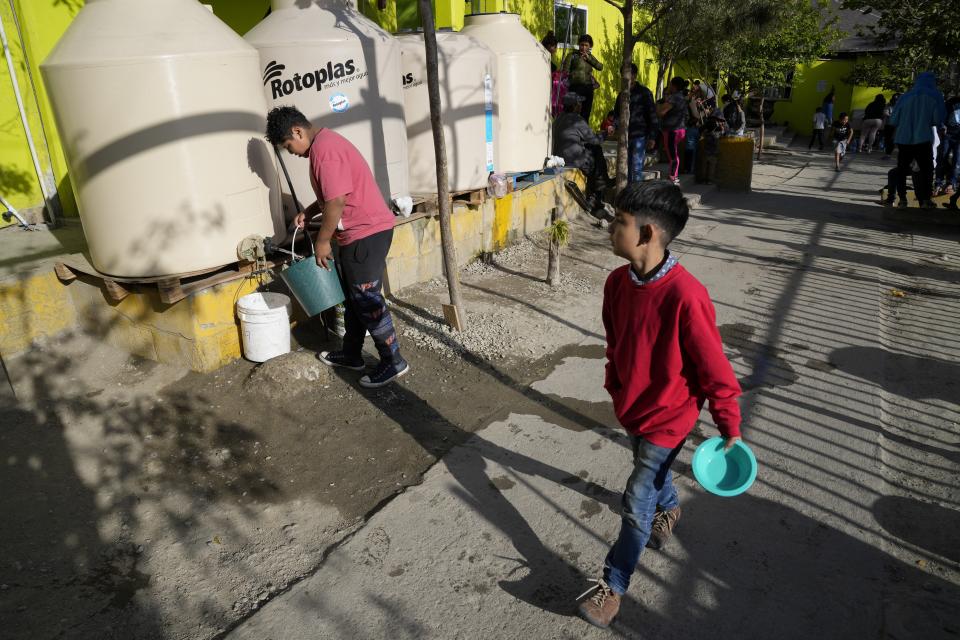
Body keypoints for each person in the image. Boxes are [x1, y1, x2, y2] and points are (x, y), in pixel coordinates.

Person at [576, 180, 742, 629]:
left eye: (620, 222)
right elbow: (615, 343)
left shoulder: (687, 295)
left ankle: (614, 584)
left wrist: (730, 427)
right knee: (652, 478)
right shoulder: (616, 283)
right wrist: (616, 385)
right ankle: (671, 506)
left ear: (647, 233)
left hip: (669, 419)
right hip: (632, 409)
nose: (611, 227)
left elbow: (716, 371)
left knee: (636, 500)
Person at [265, 106, 409, 388]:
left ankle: (393, 361)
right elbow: (331, 196)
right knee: (355, 298)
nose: (290, 151)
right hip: (361, 233)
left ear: (297, 131)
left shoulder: (325, 151)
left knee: (367, 299)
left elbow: (336, 202)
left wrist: (321, 242)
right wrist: (309, 211)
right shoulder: (325, 144)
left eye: (288, 145)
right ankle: (352, 354)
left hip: (366, 233)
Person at [890, 71, 947, 209]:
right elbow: (937, 119)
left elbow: (893, 119)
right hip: (923, 138)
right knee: (927, 170)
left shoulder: (905, 97)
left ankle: (902, 199)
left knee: (902, 169)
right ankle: (925, 200)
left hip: (903, 138)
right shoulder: (935, 96)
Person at [553, 93, 610, 213]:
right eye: (579, 104)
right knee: (597, 153)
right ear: (574, 106)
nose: (581, 106)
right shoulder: (577, 120)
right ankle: (595, 196)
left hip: (558, 158)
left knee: (593, 152)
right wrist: (605, 133)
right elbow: (594, 140)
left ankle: (597, 193)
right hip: (572, 159)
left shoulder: (558, 118)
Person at [612, 63, 658, 182]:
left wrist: (652, 137)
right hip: (624, 136)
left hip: (640, 136)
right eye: (624, 74)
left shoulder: (645, 93)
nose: (626, 77)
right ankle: (628, 194)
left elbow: (652, 115)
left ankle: (635, 196)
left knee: (636, 168)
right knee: (625, 168)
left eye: (629, 74)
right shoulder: (621, 95)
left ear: (634, 75)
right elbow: (617, 115)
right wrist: (613, 126)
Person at [561, 34, 603, 123]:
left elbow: (600, 67)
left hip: (588, 88)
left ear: (590, 46)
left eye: (586, 45)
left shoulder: (590, 57)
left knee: (585, 115)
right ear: (579, 45)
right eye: (582, 45)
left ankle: (583, 134)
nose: (583, 47)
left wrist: (589, 59)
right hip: (575, 88)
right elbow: (565, 71)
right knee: (571, 113)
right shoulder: (572, 55)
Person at [657, 77, 689, 185]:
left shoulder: (674, 98)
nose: (669, 86)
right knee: (673, 153)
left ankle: (673, 177)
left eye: (670, 84)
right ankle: (673, 176)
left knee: (672, 155)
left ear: (674, 86)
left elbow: (662, 112)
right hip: (679, 129)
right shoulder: (682, 97)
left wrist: (658, 107)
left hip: (672, 130)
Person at [933, 95, 960, 196]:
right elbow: (941, 116)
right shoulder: (951, 102)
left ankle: (951, 183)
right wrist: (942, 126)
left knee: (957, 159)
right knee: (942, 157)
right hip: (949, 133)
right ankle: (938, 182)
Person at [684, 85, 707, 174]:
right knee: (691, 148)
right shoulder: (691, 101)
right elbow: (697, 115)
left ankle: (691, 169)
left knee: (694, 149)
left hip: (696, 128)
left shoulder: (696, 101)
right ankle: (689, 169)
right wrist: (706, 112)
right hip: (692, 127)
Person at [701, 109, 727, 184]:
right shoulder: (720, 126)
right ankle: (709, 180)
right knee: (712, 165)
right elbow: (724, 133)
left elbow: (701, 129)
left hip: (706, 148)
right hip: (714, 149)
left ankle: (703, 179)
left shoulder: (708, 123)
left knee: (704, 164)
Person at [882, 92, 900, 159]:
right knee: (888, 139)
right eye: (895, 99)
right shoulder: (889, 105)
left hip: (896, 125)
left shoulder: (902, 105)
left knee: (892, 139)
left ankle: (888, 153)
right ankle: (888, 153)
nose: (896, 100)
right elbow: (885, 113)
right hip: (889, 124)